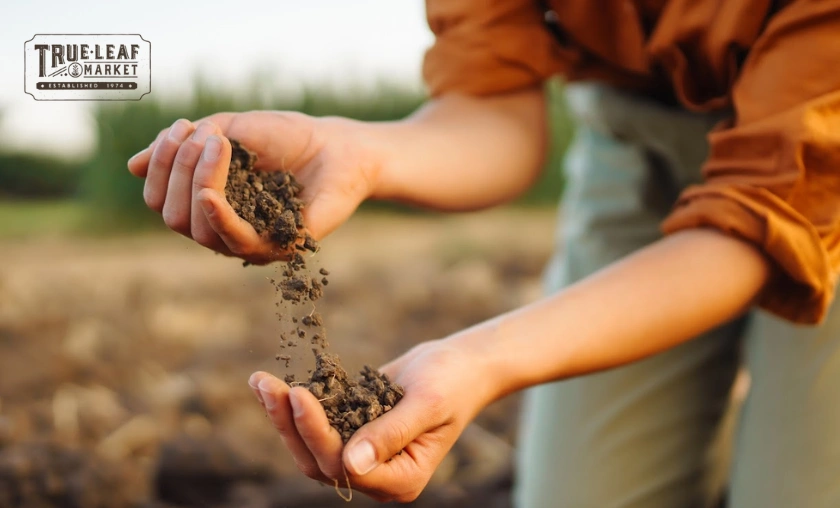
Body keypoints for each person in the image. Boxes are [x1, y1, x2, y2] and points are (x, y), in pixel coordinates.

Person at [127, 1, 840, 506]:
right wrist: (364, 153)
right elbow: (494, 111)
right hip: (638, 140)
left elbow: (752, 227)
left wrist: (484, 359)